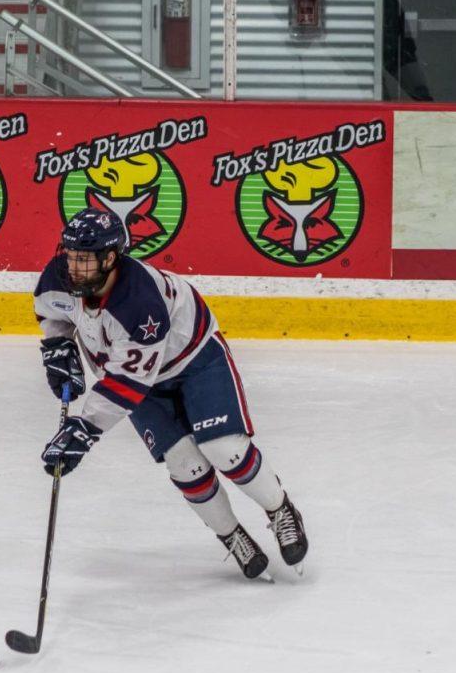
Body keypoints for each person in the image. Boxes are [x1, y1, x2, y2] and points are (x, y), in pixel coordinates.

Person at [33, 208, 308, 579]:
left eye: (84, 259)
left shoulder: (139, 302)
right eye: (70, 255)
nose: (73, 267)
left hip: (194, 362)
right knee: (184, 464)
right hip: (135, 379)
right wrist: (58, 346)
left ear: (110, 258)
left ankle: (279, 509)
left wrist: (85, 428)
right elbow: (53, 312)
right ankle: (231, 535)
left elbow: (129, 383)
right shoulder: (61, 274)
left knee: (224, 449)